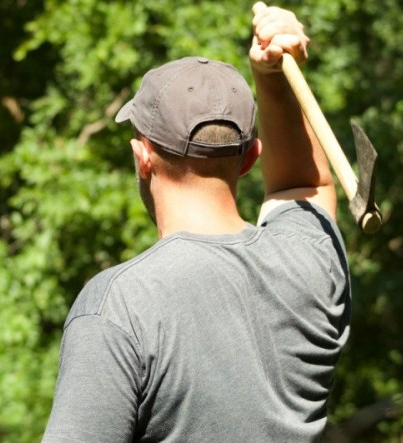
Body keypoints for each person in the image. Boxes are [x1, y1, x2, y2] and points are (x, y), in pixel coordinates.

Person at [43, 3, 350, 442]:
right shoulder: (311, 265)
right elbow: (306, 185)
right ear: (249, 159)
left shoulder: (119, 308)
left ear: (142, 156)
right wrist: (274, 77)